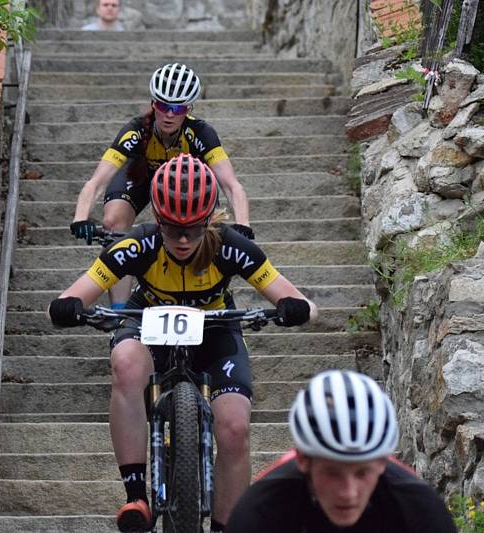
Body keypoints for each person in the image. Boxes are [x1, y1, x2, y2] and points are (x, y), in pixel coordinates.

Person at [49, 153, 316, 533]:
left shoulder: (231, 246)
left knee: (235, 426)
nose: (185, 239)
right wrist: (68, 307)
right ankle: (136, 495)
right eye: (173, 229)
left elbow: (306, 303)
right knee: (125, 363)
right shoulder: (138, 244)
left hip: (216, 331)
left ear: (209, 220)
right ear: (157, 219)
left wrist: (294, 308)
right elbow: (71, 295)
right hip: (148, 323)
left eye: (194, 228)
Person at [69, 62, 251, 308]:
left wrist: (243, 224)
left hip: (186, 186)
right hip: (142, 176)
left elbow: (231, 185)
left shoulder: (200, 133)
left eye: (179, 108)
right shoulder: (135, 131)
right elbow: (97, 180)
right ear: (153, 103)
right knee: (113, 223)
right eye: (163, 105)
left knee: (202, 228)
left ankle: (202, 295)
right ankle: (121, 313)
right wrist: (81, 218)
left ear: (189, 108)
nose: (169, 114)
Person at [225, 370, 457, 533]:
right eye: (332, 473)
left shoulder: (417, 506)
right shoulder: (261, 509)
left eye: (362, 473)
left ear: (382, 463)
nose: (348, 493)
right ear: (303, 460)